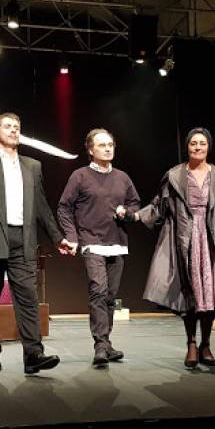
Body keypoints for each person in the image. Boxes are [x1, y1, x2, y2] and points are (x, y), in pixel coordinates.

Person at [0, 112, 75, 374]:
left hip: (23, 239)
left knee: (28, 298)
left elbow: (41, 206)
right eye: (8, 126)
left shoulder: (33, 165)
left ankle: (33, 354)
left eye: (17, 127)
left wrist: (57, 237)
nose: (14, 130)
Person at [136, 128, 215, 368]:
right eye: (193, 143)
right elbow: (159, 205)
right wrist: (135, 216)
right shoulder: (175, 175)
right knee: (190, 293)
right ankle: (191, 343)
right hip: (186, 238)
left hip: (213, 240)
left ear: (208, 147)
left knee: (210, 294)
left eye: (202, 143)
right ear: (187, 146)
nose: (198, 147)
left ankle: (206, 344)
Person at [57, 128, 141, 366]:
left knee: (110, 296)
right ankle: (100, 345)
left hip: (117, 243)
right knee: (98, 290)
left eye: (110, 145)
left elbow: (135, 203)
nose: (107, 149)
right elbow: (64, 207)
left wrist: (127, 213)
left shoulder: (122, 177)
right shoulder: (80, 176)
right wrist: (72, 236)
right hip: (91, 241)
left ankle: (106, 342)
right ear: (91, 150)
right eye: (102, 145)